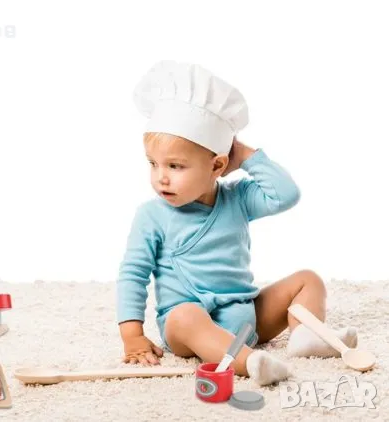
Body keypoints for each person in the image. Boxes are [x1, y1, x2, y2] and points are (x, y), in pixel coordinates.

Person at [116, 60, 357, 386]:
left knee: (307, 280)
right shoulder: (152, 215)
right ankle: (248, 362)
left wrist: (245, 156)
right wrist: (132, 334)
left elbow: (285, 194)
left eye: (175, 166)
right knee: (185, 315)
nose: (161, 177)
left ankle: (306, 336)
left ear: (217, 166)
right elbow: (133, 273)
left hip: (245, 314)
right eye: (153, 163)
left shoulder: (237, 198)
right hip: (188, 326)